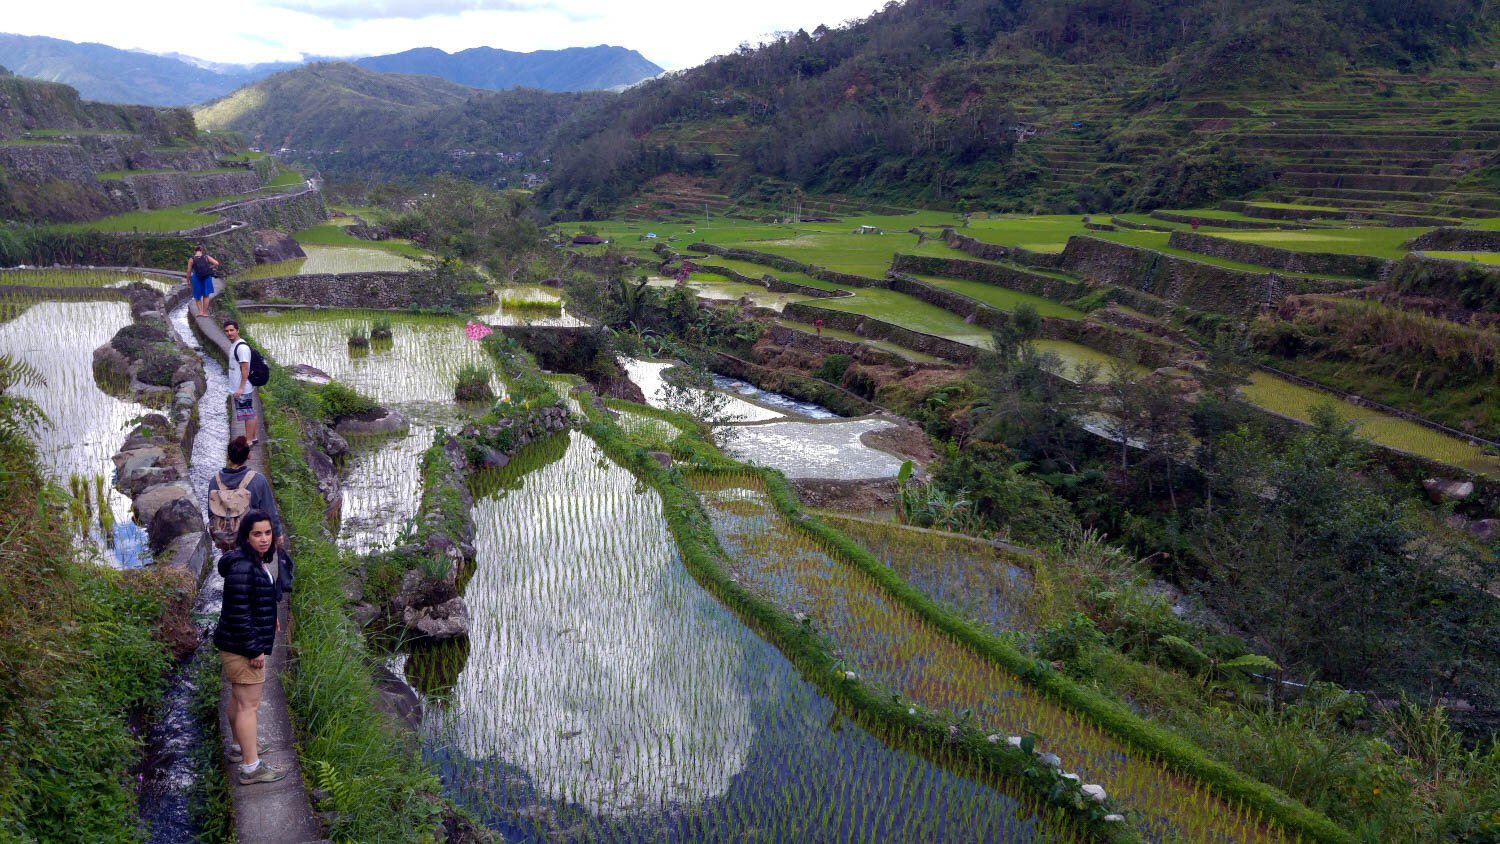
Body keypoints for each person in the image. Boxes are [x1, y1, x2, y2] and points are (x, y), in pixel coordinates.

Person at [212, 509, 286, 785]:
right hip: (242, 648)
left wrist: (272, 620)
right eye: (257, 534)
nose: (264, 539)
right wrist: (255, 649)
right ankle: (251, 767)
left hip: (236, 644)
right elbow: (237, 613)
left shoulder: (251, 560)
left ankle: (238, 747)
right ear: (246, 536)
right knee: (248, 706)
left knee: (238, 699)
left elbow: (254, 602)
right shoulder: (244, 567)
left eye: (267, 532)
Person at [218, 436, 284, 549]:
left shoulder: (215, 481)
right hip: (250, 538)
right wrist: (278, 534)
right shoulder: (258, 480)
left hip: (225, 536)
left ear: (228, 456)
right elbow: (270, 511)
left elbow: (211, 513)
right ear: (248, 456)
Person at [223, 320, 259, 446]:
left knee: (247, 414)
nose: (229, 333)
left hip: (242, 387)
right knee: (250, 412)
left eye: (232, 330)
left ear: (237, 330)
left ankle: (248, 441)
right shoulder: (235, 345)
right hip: (240, 386)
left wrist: (240, 388)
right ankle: (253, 437)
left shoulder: (241, 347)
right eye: (227, 331)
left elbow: (245, 368)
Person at [187, 245, 220, 318]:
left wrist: (188, 281)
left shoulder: (191, 259)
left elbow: (189, 271)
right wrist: (209, 268)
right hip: (206, 277)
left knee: (197, 296)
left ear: (194, 251)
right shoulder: (206, 257)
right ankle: (204, 313)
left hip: (196, 278)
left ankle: (200, 312)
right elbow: (216, 263)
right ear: (201, 250)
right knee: (206, 295)